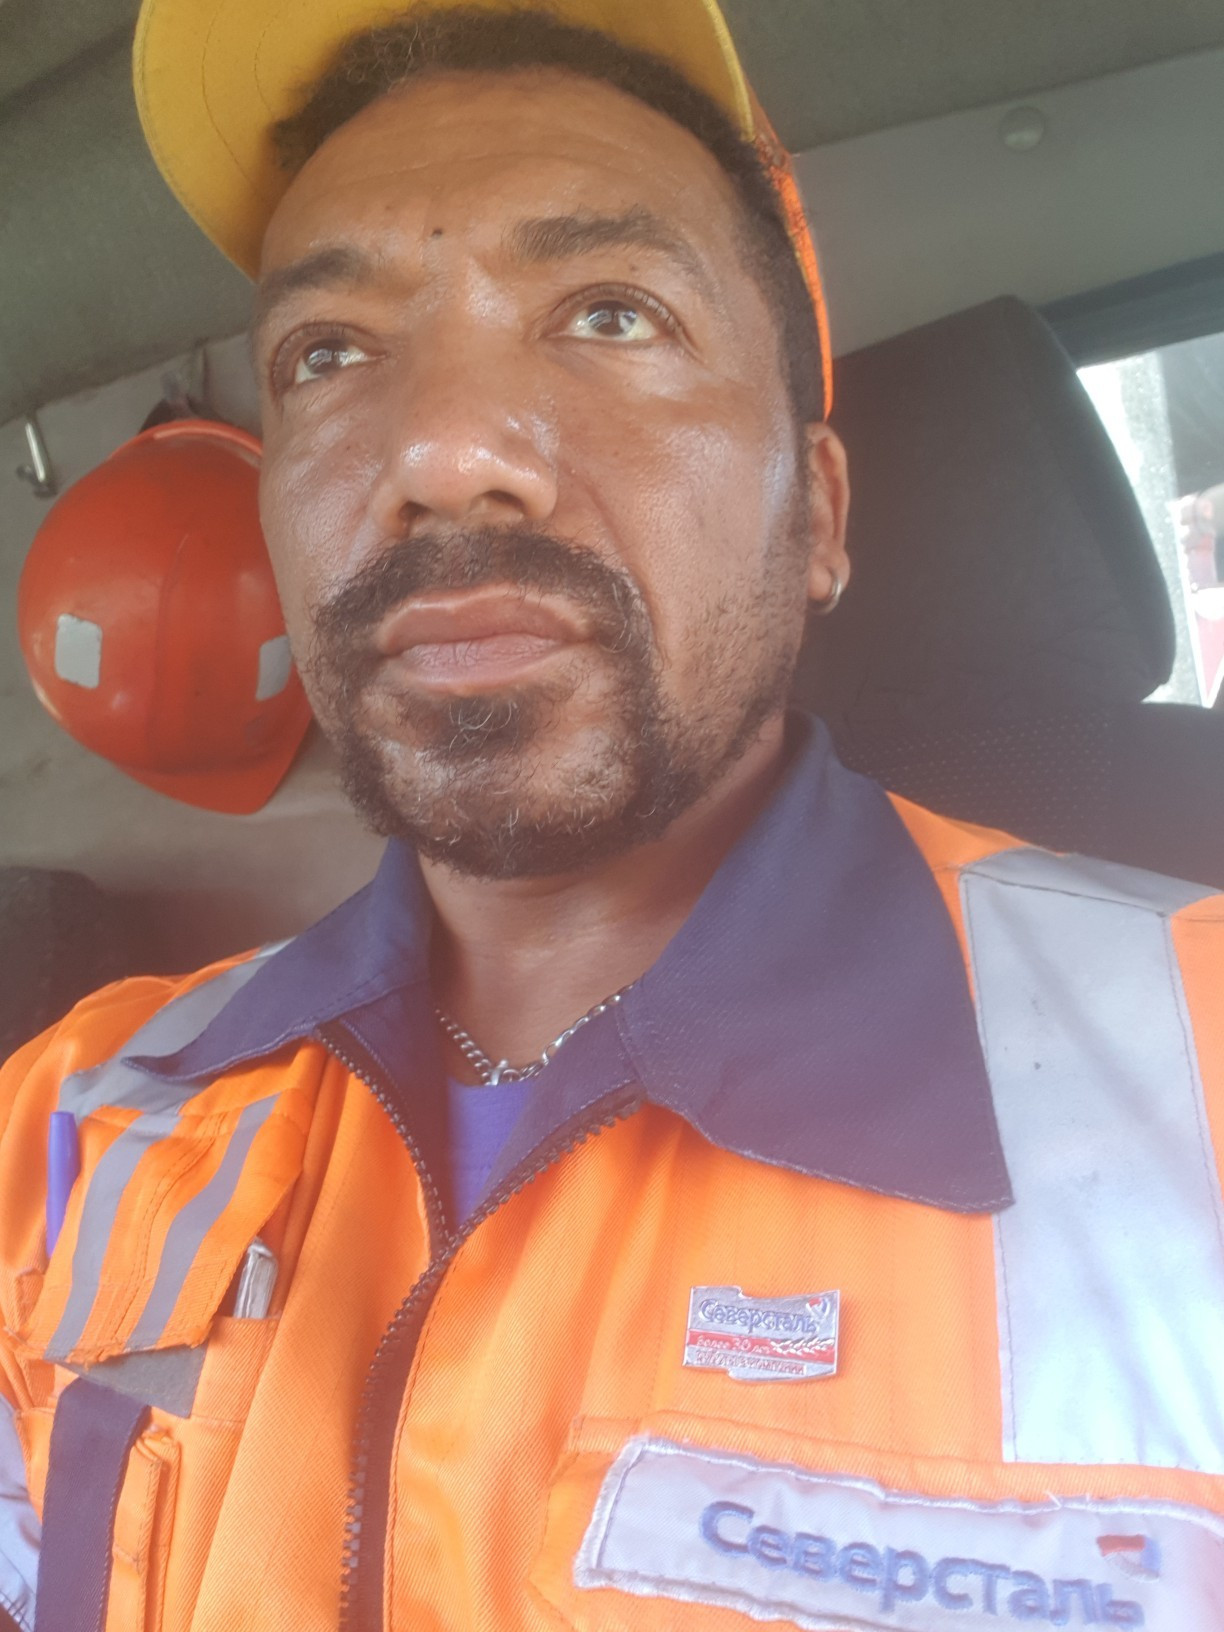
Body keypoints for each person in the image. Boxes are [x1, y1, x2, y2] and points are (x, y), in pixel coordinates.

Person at [2, 3, 1223, 1629]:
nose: (442, 451)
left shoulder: (1197, 1077)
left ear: (817, 519)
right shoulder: (74, 1121)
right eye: (330, 354)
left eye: (609, 313)